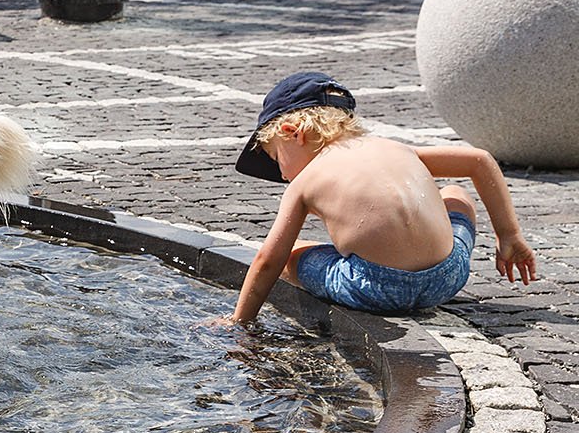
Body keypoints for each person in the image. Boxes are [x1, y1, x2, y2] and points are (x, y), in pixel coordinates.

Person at [226, 71, 538, 325]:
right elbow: (479, 161)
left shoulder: (304, 181)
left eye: (276, 157)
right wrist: (508, 235)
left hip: (375, 288)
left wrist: (239, 321)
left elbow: (268, 260)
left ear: (294, 132)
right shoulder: (397, 148)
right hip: (447, 276)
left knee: (291, 253)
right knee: (455, 194)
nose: (281, 174)